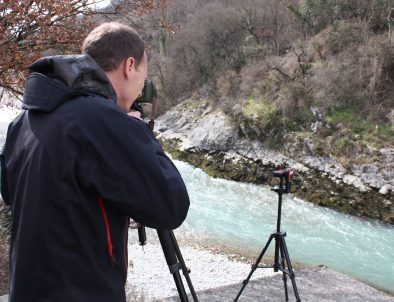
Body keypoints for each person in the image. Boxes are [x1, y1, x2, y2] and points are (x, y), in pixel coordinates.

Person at [0, 22, 190, 302]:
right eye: (143, 78)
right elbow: (171, 206)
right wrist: (140, 137)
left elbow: (10, 191)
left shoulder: (25, 120)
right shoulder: (102, 122)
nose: (141, 90)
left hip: (27, 289)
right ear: (129, 67)